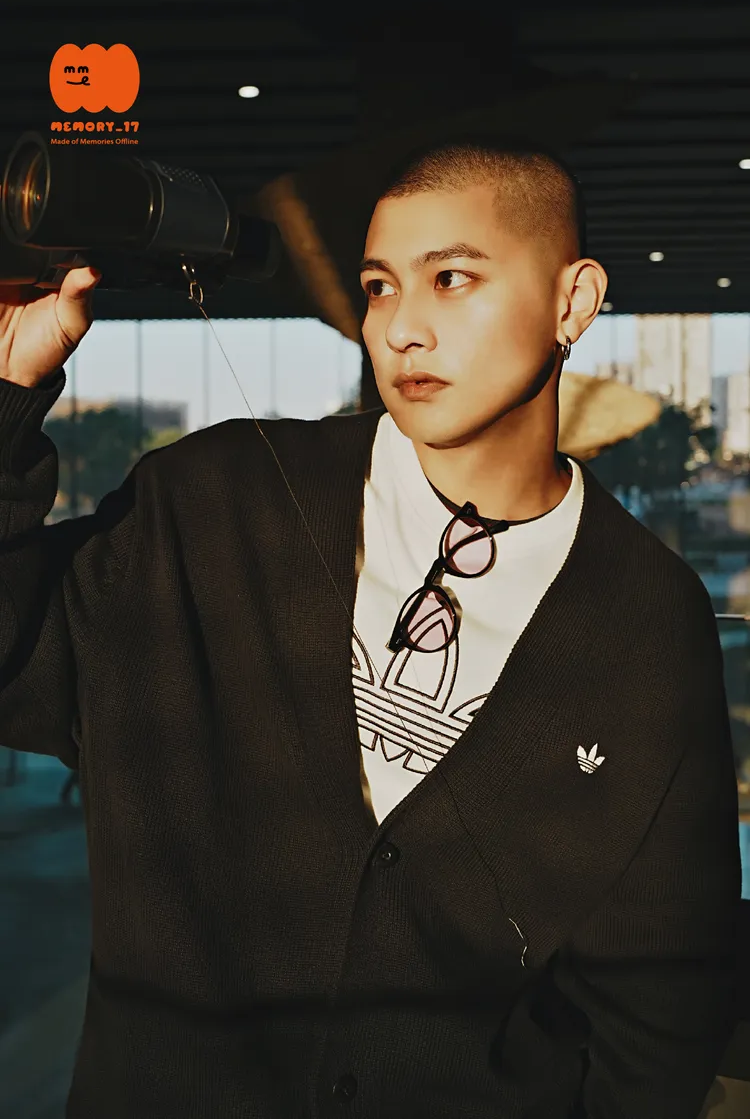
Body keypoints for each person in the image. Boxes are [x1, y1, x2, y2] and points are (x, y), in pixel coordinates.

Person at [0, 135, 740, 1119]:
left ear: (574, 302)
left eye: (452, 279)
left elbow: (659, 999)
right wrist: (4, 393)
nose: (401, 329)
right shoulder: (213, 502)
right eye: (380, 286)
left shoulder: (648, 615)